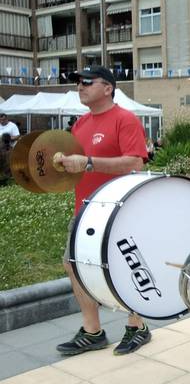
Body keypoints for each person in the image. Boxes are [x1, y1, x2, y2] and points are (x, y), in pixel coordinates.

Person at [53, 66, 150, 356]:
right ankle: (92, 331)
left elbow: (135, 163)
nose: (79, 87)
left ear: (108, 88)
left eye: (86, 82)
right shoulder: (80, 124)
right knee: (73, 264)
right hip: (84, 208)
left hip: (118, 209)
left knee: (126, 266)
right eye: (78, 83)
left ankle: (137, 325)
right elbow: (79, 166)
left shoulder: (125, 119)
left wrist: (89, 162)